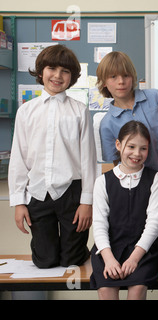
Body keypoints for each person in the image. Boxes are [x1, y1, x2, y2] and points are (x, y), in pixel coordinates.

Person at [9, 44, 97, 268]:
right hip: (38, 192)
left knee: (72, 261)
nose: (58, 76)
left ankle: (85, 252)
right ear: (41, 72)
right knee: (44, 261)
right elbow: (19, 158)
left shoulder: (79, 110)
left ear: (72, 77)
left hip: (71, 193)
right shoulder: (26, 111)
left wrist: (87, 202)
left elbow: (88, 159)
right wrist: (19, 202)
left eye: (65, 71)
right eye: (52, 68)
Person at [90, 121, 158, 300]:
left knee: (137, 289)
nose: (136, 154)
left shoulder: (157, 180)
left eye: (143, 148)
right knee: (106, 290)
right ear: (118, 145)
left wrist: (134, 258)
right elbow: (99, 225)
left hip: (143, 249)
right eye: (131, 146)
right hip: (109, 248)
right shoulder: (102, 181)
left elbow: (154, 224)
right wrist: (108, 259)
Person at [97, 51, 158, 173]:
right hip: (138, 185)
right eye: (113, 77)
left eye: (126, 75)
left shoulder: (155, 97)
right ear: (104, 82)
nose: (121, 81)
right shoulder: (107, 124)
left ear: (133, 77)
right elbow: (117, 165)